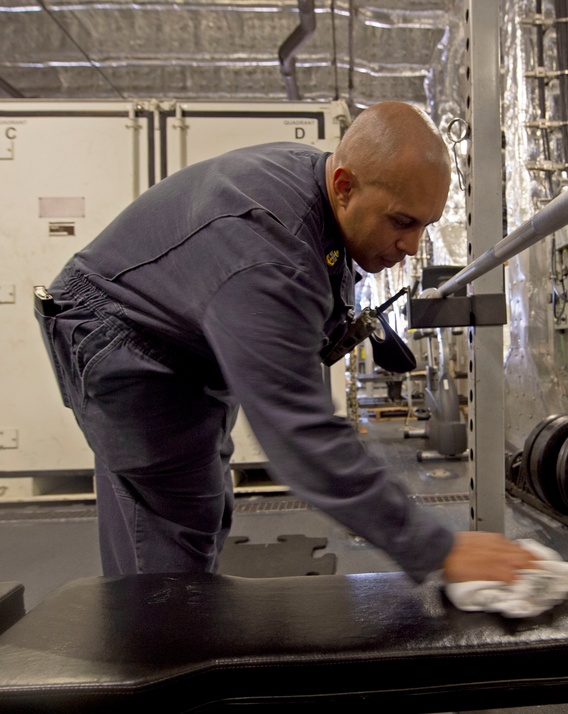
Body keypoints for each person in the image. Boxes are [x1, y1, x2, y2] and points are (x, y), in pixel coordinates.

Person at [36, 101, 535, 584]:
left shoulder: (319, 198)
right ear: (344, 187)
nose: (411, 246)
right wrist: (437, 549)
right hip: (120, 334)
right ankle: (152, 646)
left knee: (203, 499)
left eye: (425, 225)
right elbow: (297, 431)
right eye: (402, 221)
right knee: (173, 520)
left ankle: (172, 619)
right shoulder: (270, 252)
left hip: (176, 340)